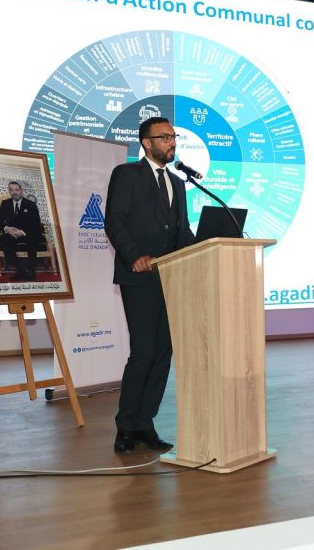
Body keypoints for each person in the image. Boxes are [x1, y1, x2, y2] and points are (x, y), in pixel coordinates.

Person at [104, 117, 195, 453]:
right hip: (140, 276)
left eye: (174, 136)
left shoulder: (178, 183)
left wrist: (208, 245)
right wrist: (134, 257)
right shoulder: (127, 174)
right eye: (165, 137)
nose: (172, 142)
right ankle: (125, 426)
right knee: (144, 352)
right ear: (147, 142)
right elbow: (114, 221)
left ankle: (145, 422)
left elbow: (182, 232)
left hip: (172, 278)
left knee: (163, 353)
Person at [0, 181, 41, 281]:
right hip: (11, 233)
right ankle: (20, 270)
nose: (14, 192)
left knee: (33, 238)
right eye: (11, 190)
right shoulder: (5, 204)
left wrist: (22, 232)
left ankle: (31, 271)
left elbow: (36, 223)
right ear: (9, 191)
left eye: (16, 190)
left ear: (21, 190)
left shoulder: (30, 204)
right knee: (3, 239)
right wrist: (7, 228)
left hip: (26, 233)